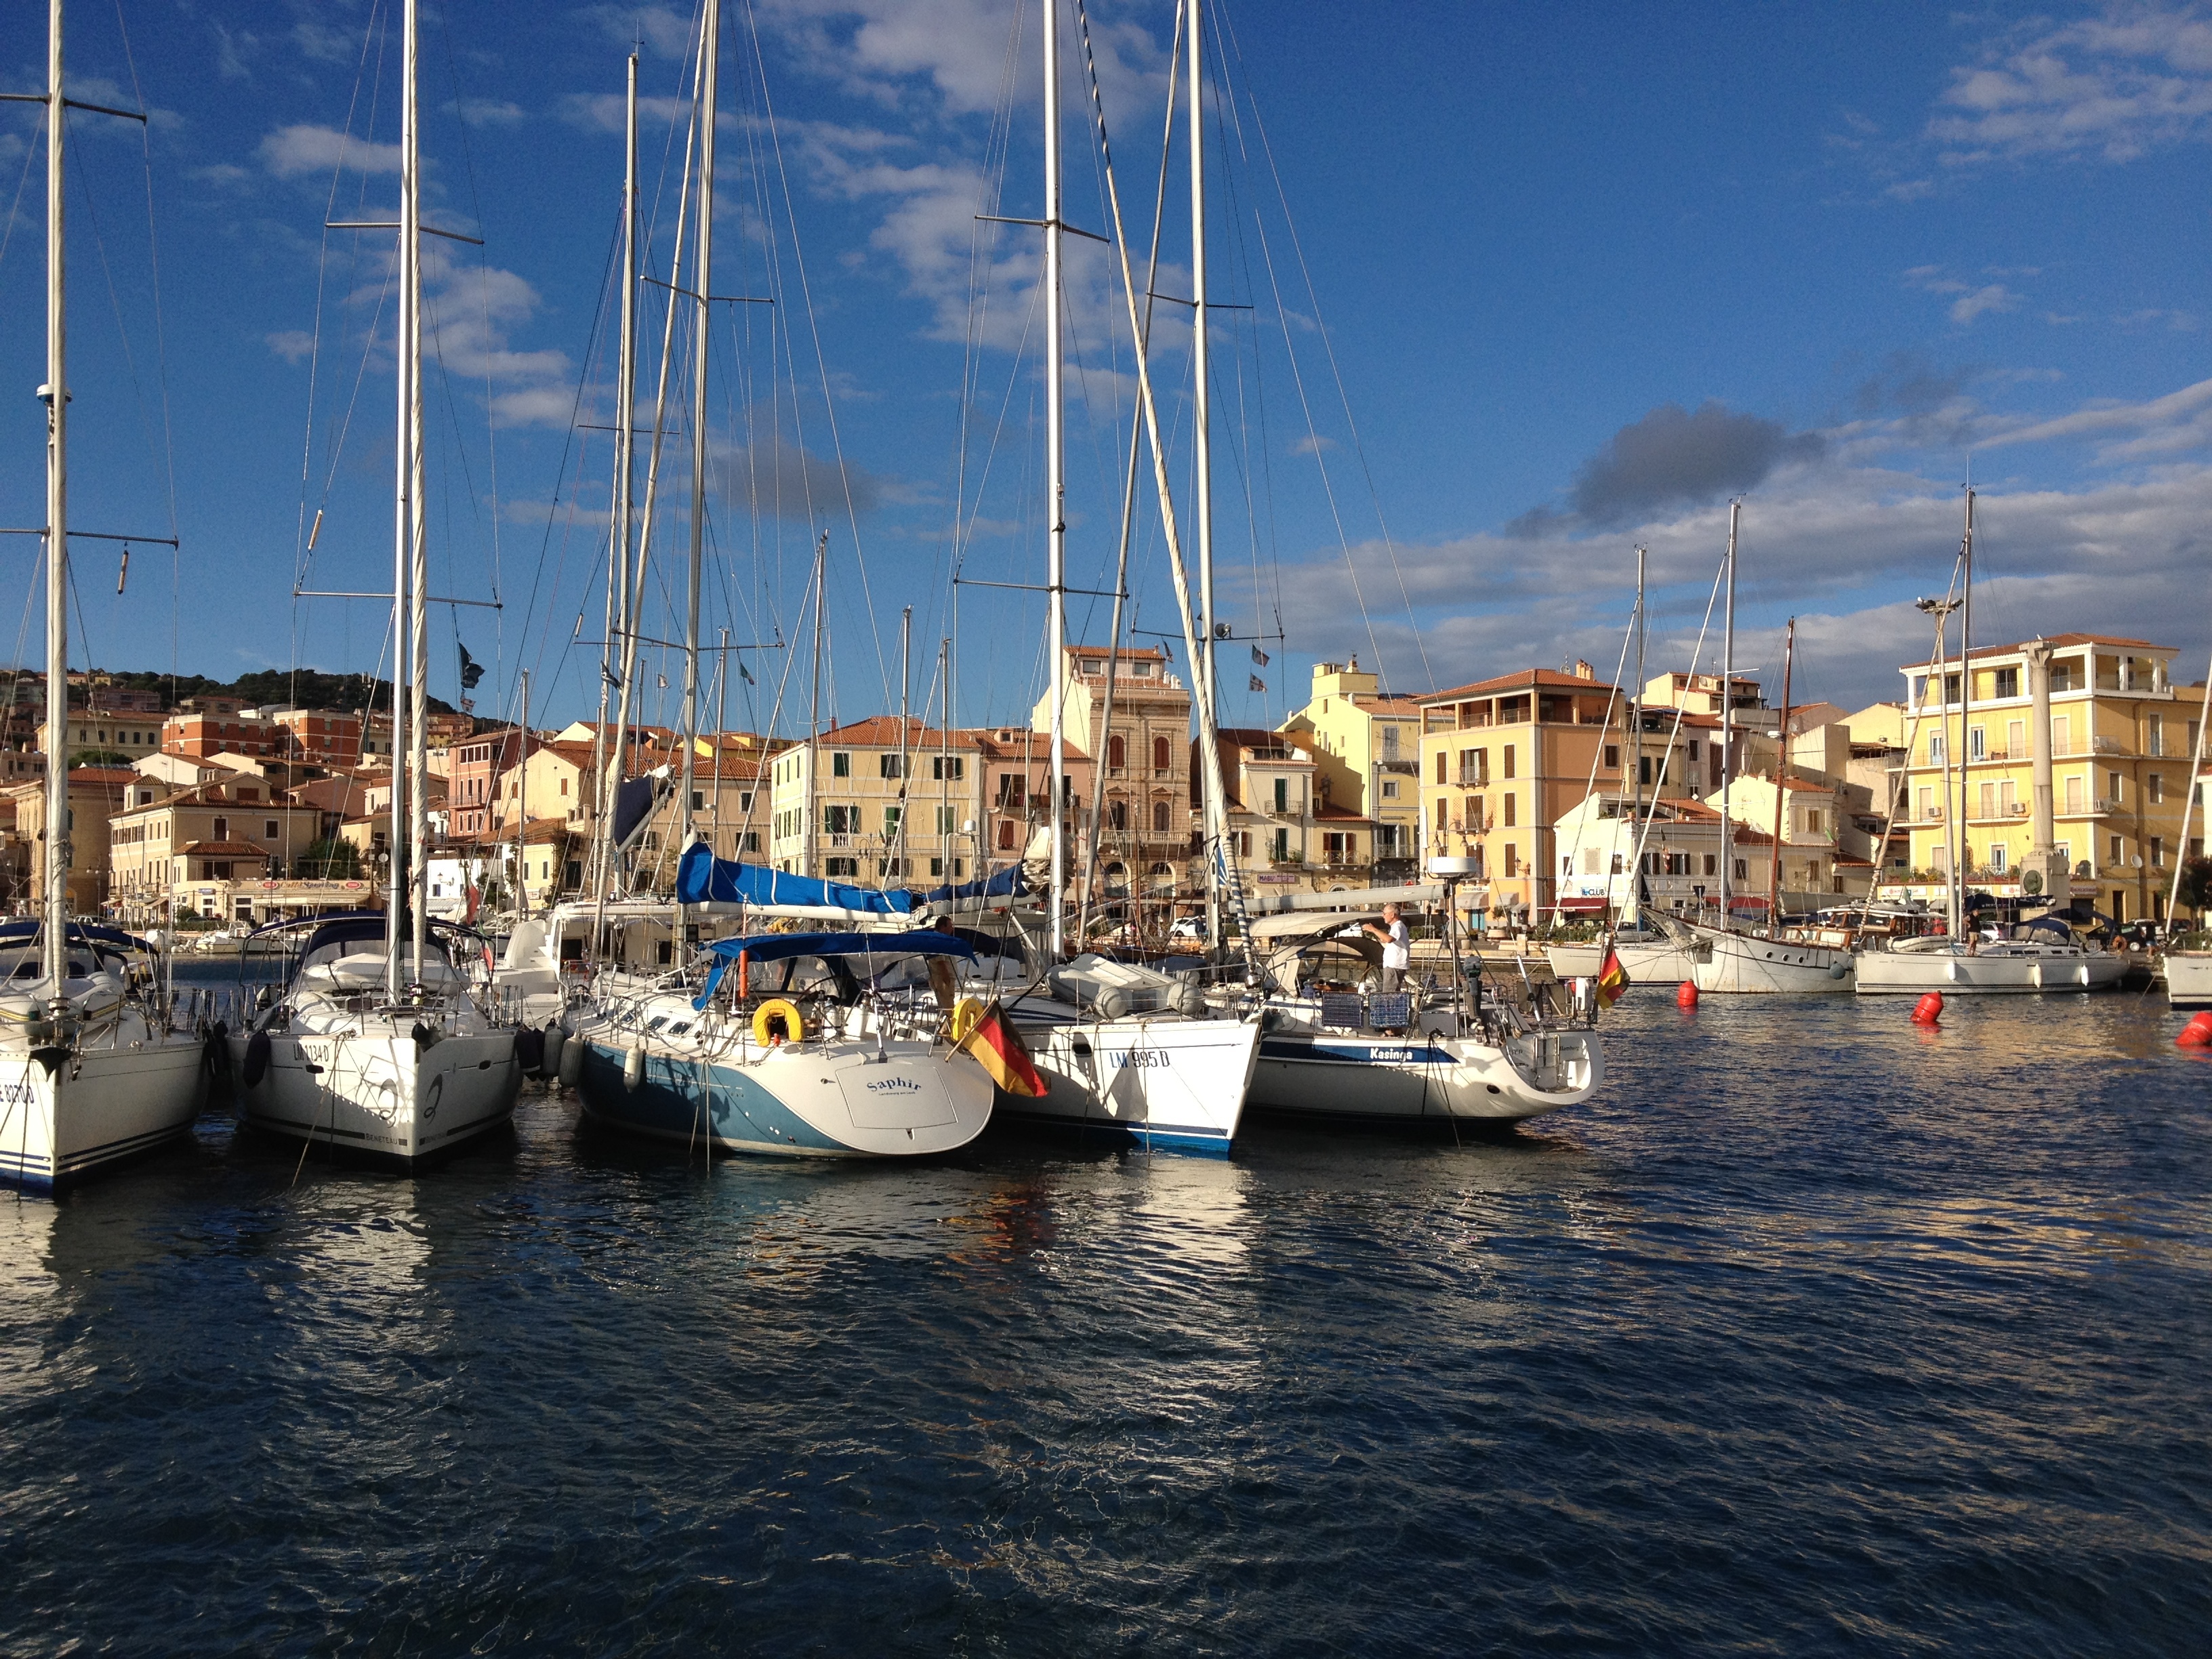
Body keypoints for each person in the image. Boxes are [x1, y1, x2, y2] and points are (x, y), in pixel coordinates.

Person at [1361, 903, 1411, 994]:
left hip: (1394, 967)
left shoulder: (1398, 926)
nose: (1382, 916)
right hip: (1394, 966)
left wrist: (1373, 929)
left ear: (1392, 915)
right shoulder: (1397, 927)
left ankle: (1389, 1008)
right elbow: (1388, 939)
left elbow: (1389, 939)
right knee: (1391, 993)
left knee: (1389, 995)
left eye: (1384, 913)